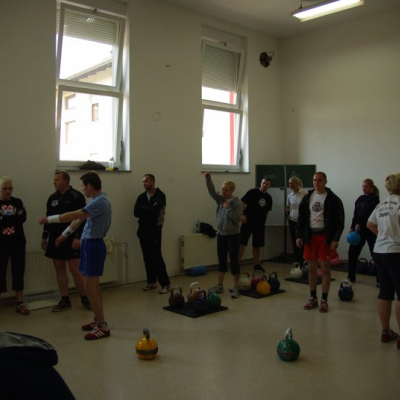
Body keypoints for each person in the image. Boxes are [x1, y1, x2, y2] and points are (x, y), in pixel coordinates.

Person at [39, 171, 111, 340]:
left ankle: (102, 325)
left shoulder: (100, 202)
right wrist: (64, 235)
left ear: (89, 186)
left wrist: (50, 219)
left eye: (83, 186)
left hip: (93, 245)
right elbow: (79, 220)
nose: (82, 189)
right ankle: (98, 319)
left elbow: (75, 215)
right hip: (89, 245)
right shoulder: (95, 201)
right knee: (93, 286)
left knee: (91, 288)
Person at [41, 171, 91, 312]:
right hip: (55, 237)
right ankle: (65, 299)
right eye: (54, 179)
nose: (54, 182)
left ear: (65, 181)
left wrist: (78, 237)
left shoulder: (77, 196)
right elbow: (48, 219)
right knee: (59, 268)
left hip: (71, 237)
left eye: (57, 180)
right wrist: (44, 237)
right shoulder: (52, 198)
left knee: (75, 269)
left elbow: (82, 218)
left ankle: (84, 297)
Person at [296, 172, 344, 313]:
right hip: (310, 237)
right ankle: (313, 297)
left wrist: (335, 238)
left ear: (325, 181)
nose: (316, 183)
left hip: (325, 237)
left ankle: (324, 299)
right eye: (314, 180)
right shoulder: (307, 198)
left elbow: (340, 221)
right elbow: (301, 219)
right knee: (311, 269)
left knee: (325, 269)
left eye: (320, 180)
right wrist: (299, 236)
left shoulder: (333, 199)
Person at [367, 173, 400, 349]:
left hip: (379, 251)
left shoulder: (381, 204)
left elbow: (370, 224)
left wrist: (383, 236)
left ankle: (385, 332)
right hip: (395, 253)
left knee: (385, 293)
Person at [204, 172, 243, 299]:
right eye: (222, 189)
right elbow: (211, 192)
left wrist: (228, 208)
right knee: (221, 260)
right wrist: (208, 179)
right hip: (221, 234)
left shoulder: (237, 203)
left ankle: (236, 287)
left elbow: (237, 219)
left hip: (233, 235)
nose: (224, 192)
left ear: (232, 191)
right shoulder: (220, 200)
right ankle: (220, 285)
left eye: (226, 190)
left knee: (234, 261)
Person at [134, 174, 170, 294]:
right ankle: (151, 281)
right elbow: (136, 212)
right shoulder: (141, 197)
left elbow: (155, 210)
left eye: (146, 181)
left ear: (153, 181)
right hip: (143, 230)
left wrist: (145, 209)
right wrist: (149, 208)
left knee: (156, 256)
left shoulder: (160, 195)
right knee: (147, 257)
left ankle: (165, 283)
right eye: (143, 181)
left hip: (155, 230)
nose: (144, 183)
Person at [0, 176, 30, 315]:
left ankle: (19, 302)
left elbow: (23, 218)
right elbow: (17, 219)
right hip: (1, 244)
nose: (8, 191)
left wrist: (4, 219)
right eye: (4, 188)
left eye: (10, 188)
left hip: (17, 243)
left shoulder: (17, 201)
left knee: (18, 271)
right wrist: (14, 218)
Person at [347, 179, 380, 283]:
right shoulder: (360, 198)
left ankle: (380, 279)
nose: (364, 188)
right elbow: (356, 214)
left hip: (370, 230)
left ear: (372, 188)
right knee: (352, 252)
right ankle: (351, 276)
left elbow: (367, 213)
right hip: (358, 230)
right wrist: (352, 227)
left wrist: (359, 224)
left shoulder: (375, 200)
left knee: (375, 254)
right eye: (363, 186)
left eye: (366, 186)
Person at [238, 178, 272, 272]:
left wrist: (263, 222)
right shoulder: (252, 192)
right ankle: (237, 263)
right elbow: (242, 203)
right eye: (263, 183)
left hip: (259, 224)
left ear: (269, 186)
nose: (265, 185)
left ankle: (257, 264)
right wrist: (243, 215)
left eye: (267, 184)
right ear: (261, 183)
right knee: (242, 242)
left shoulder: (269, 198)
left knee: (257, 245)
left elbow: (266, 212)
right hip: (248, 222)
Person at [286, 176, 307, 265]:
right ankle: (297, 259)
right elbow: (288, 206)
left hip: (303, 220)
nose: (290, 185)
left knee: (303, 239)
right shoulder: (290, 195)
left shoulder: (305, 193)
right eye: (289, 183)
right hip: (293, 220)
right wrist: (287, 214)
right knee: (294, 239)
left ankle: (305, 259)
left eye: (292, 183)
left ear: (297, 184)